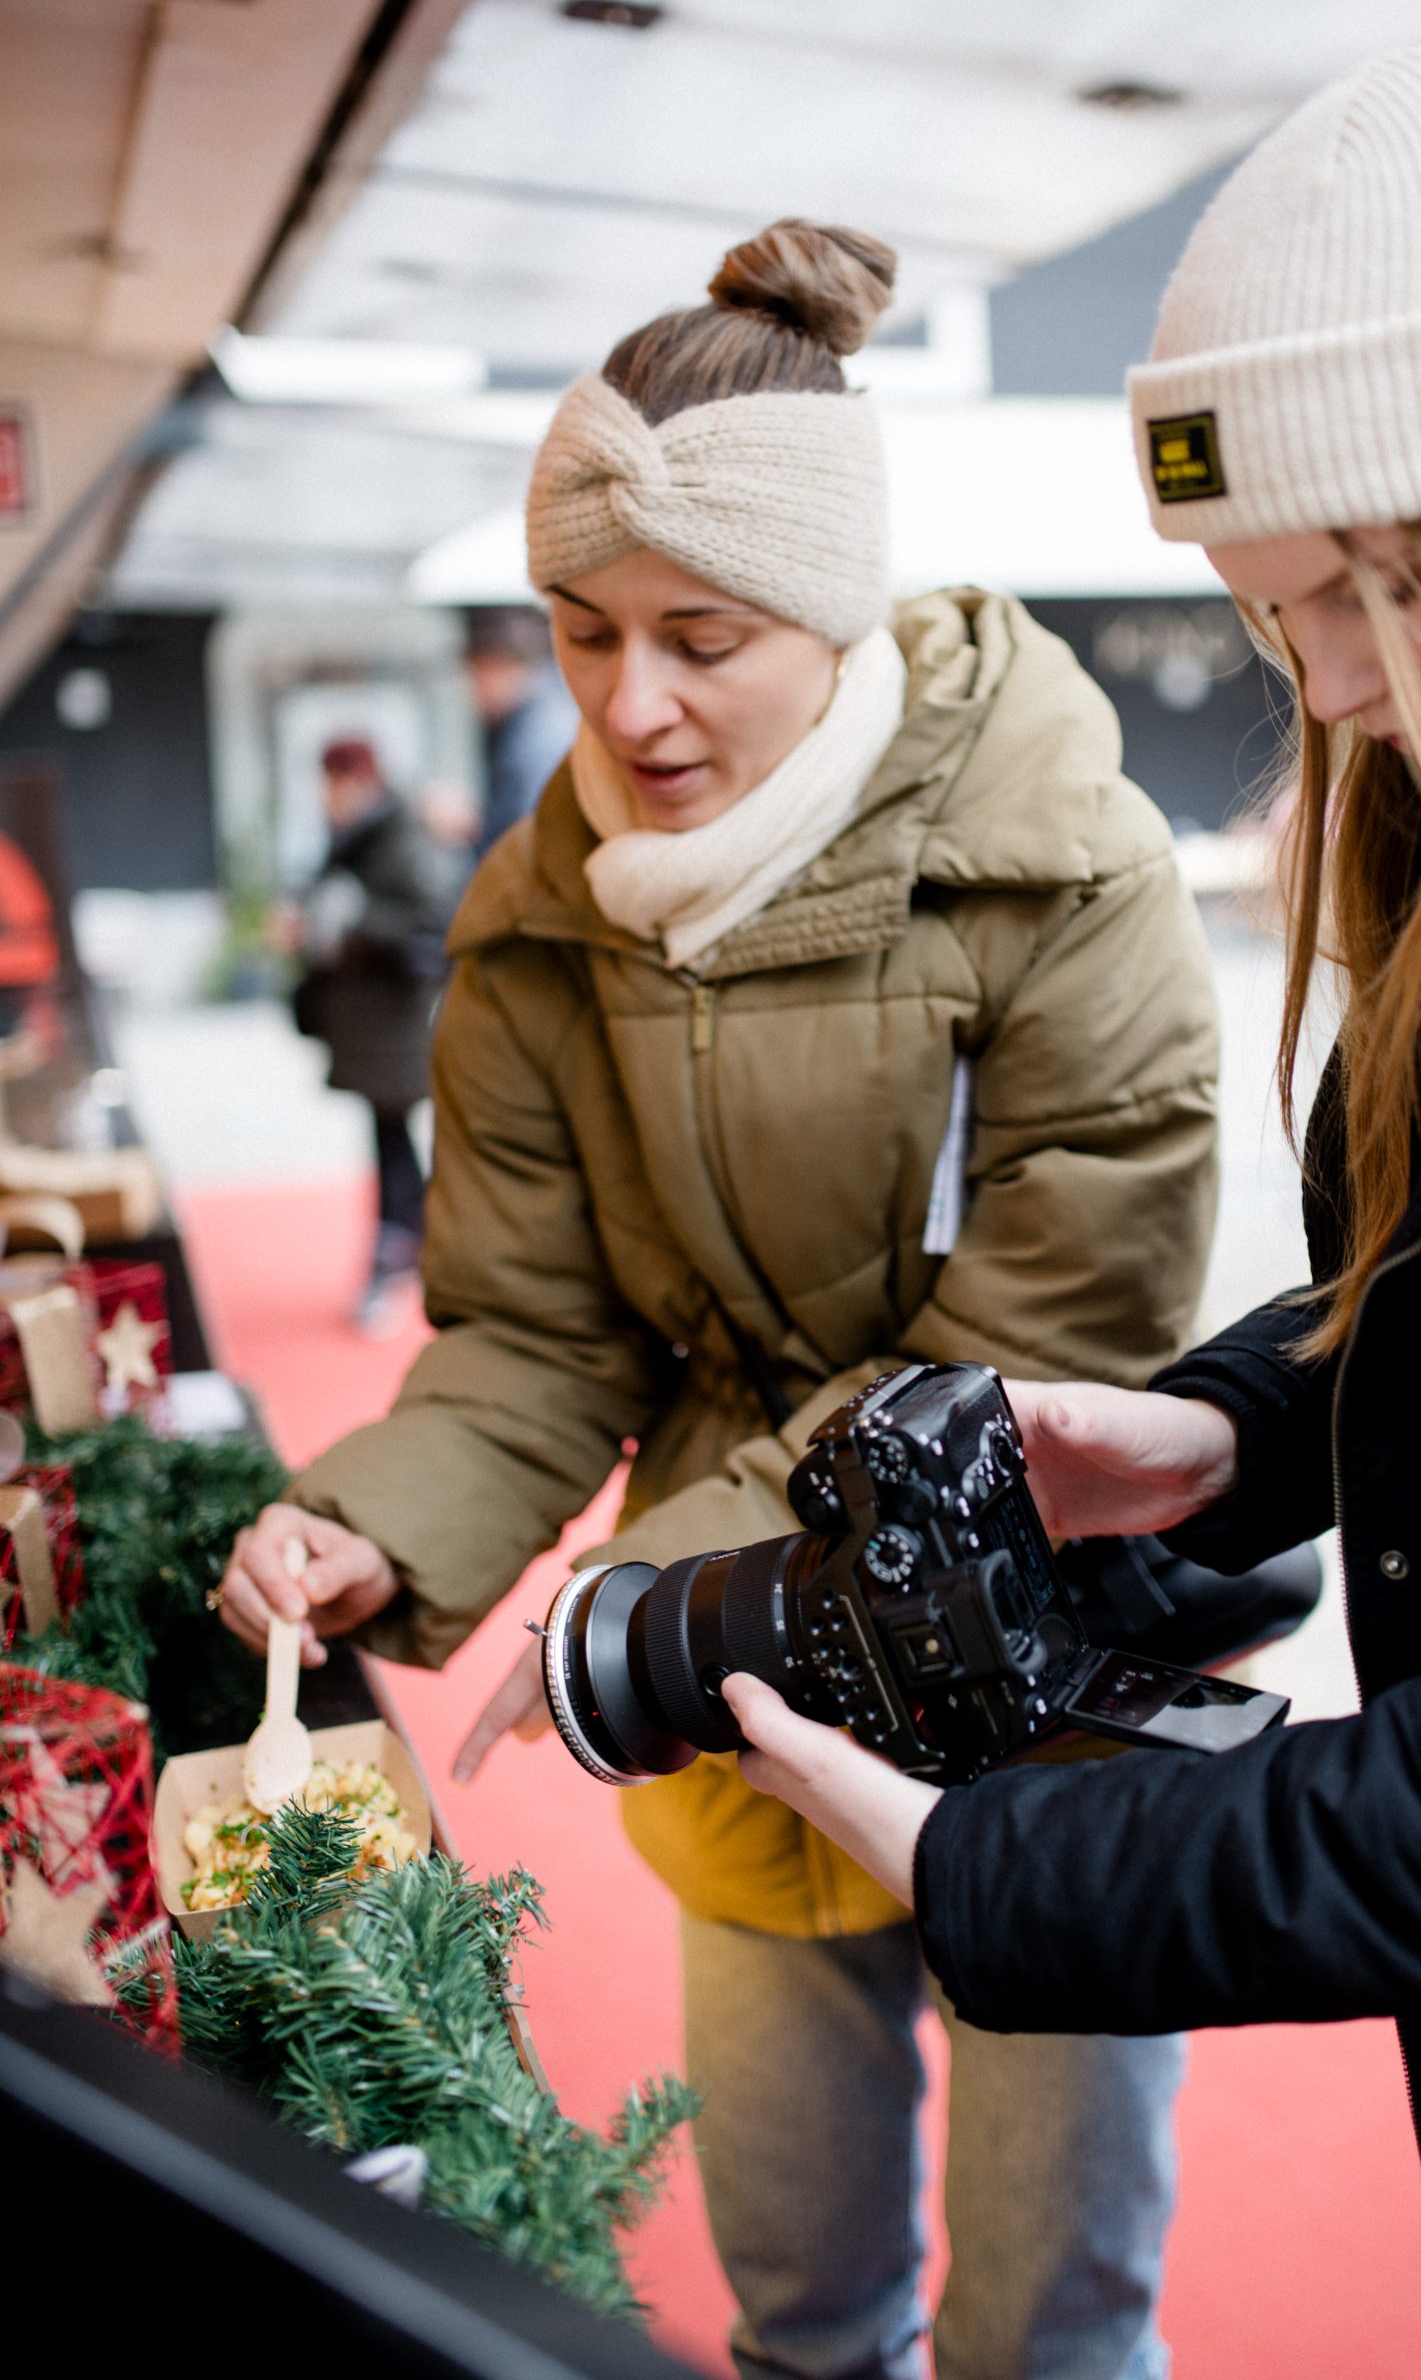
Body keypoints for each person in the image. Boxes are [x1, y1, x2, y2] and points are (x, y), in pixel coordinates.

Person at [720, 49, 1421, 2378]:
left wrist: (989, 1867)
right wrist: (1241, 1423)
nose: (1332, 688)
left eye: (1367, 587)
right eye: (1274, 616)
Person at [216, 219, 1222, 2380]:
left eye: (700, 633)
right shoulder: (538, 924)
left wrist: (638, 1612)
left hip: (1042, 1656)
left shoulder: (1054, 858)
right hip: (739, 1682)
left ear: (835, 611)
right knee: (797, 2290)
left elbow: (1045, 1348)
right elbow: (531, 1323)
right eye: (580, 632)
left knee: (1055, 2319)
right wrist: (385, 1508)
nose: (629, 702)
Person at [287, 736, 463, 1331]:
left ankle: (402, 1255)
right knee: (391, 1142)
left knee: (395, 1145)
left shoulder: (401, 835)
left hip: (396, 1022)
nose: (326, 796)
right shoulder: (361, 836)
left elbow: (432, 923)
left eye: (334, 780)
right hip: (369, 1023)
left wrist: (353, 921)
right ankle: (406, 1251)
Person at [463, 602, 580, 853]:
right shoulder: (536, 718)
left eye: (474, 672)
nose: (470, 690)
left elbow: (523, 843)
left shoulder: (536, 740)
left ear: (496, 667)